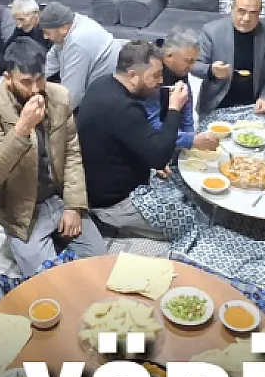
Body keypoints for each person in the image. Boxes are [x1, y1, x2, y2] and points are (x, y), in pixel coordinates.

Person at [0, 38, 107, 276]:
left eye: (40, 79)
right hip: (20, 210)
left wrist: (74, 206)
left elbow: (72, 153)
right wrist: (22, 128)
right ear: (8, 78)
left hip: (58, 198)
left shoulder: (59, 96)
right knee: (47, 280)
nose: (35, 89)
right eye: (26, 82)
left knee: (100, 264)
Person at [78, 41, 189, 240]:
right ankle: (109, 224)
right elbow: (159, 158)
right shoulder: (122, 108)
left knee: (184, 188)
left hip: (111, 175)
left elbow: (136, 139)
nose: (161, 81)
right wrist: (174, 108)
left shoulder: (103, 82)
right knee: (187, 220)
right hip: (112, 201)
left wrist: (150, 156)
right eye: (155, 75)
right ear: (132, 75)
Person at [192, 0, 265, 117]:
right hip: (216, 104)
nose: (246, 18)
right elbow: (194, 65)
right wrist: (211, 71)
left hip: (253, 106)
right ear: (232, 9)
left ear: (259, 13)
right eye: (241, 11)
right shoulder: (212, 31)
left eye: (253, 13)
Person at [143, 30, 220, 153]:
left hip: (170, 130)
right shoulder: (152, 73)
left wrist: (190, 138)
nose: (192, 67)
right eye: (189, 61)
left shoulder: (179, 69)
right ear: (169, 56)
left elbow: (187, 106)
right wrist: (190, 141)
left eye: (194, 61)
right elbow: (153, 126)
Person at [40, 2, 119, 110]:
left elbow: (71, 96)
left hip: (106, 96)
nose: (45, 37)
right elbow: (54, 55)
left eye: (48, 33)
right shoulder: (74, 21)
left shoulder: (77, 43)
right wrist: (40, 79)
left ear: (63, 28)